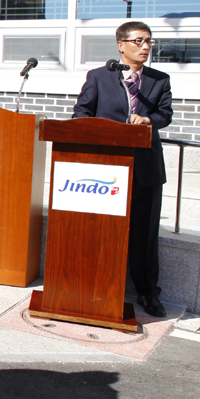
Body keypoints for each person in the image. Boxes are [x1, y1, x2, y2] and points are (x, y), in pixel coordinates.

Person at [72, 21, 172, 318]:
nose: (145, 47)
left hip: (145, 168)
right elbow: (81, 113)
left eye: (149, 41)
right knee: (102, 229)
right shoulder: (100, 76)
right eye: (138, 41)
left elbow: (165, 114)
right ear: (121, 45)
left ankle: (147, 291)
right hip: (106, 168)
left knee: (145, 233)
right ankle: (92, 285)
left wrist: (148, 120)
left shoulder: (159, 79)